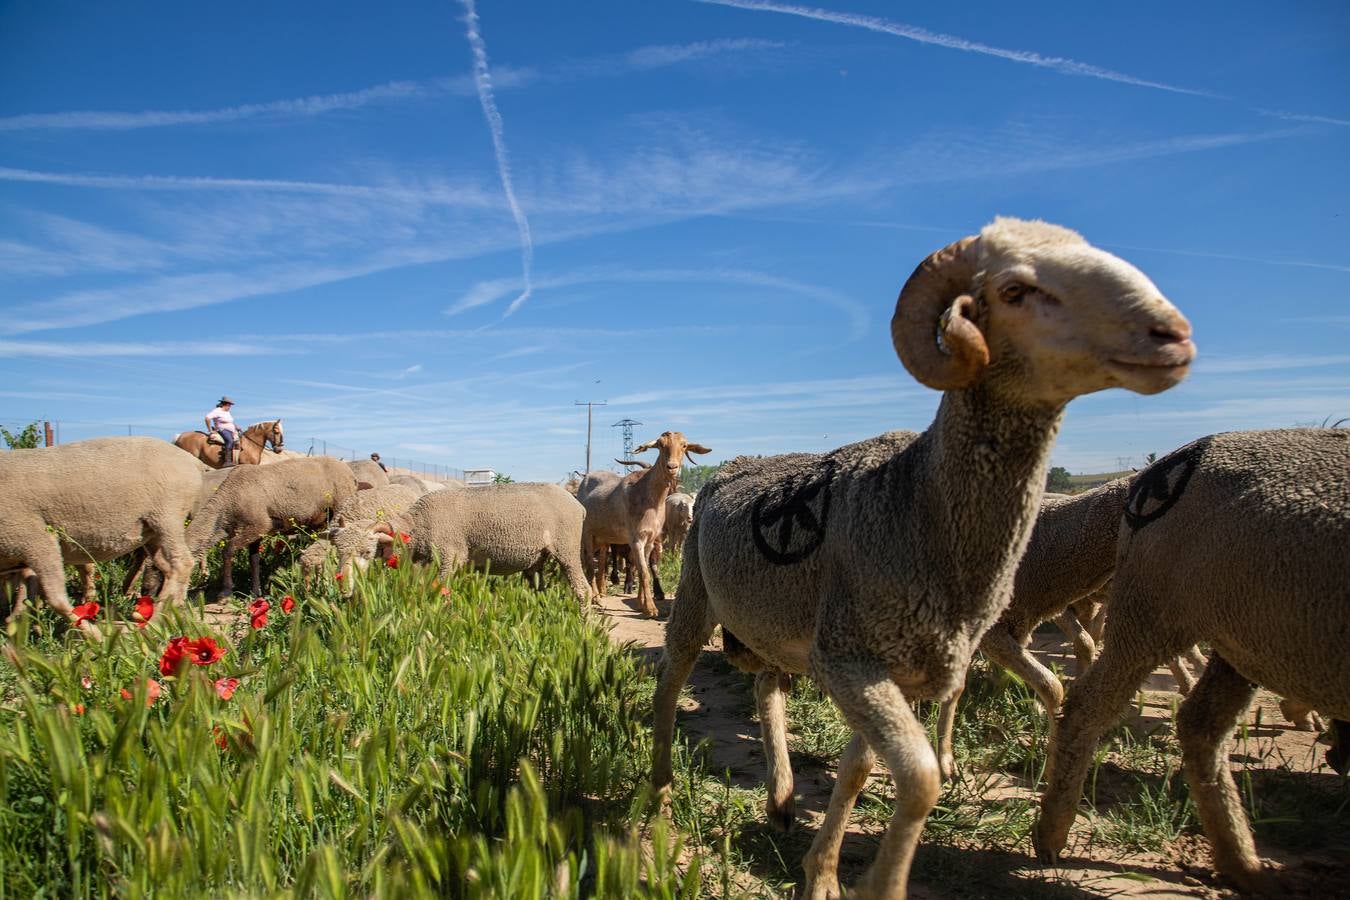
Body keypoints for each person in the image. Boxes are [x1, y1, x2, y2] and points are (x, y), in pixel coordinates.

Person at [205, 396, 239, 467]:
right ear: (225, 404)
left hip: (232, 431)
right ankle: (227, 461)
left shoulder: (227, 412)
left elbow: (230, 421)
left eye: (230, 405)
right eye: (229, 405)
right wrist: (210, 430)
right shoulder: (217, 411)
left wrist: (236, 426)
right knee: (230, 441)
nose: (230, 406)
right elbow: (207, 418)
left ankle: (235, 458)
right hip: (222, 429)